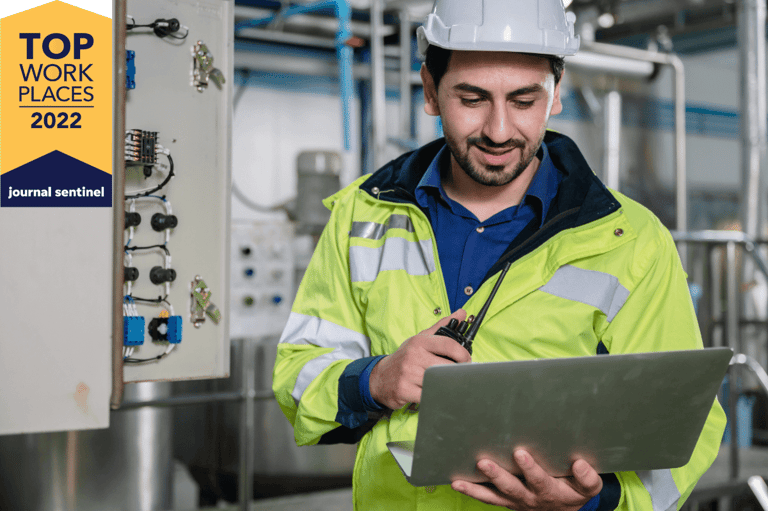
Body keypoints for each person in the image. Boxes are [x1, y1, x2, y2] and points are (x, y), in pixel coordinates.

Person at [272, 0, 727, 509]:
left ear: (555, 93)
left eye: (524, 100)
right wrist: (375, 380)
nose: (499, 130)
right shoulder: (363, 216)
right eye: (472, 99)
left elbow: (685, 422)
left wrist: (591, 502)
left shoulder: (631, 241)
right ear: (430, 90)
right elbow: (298, 376)